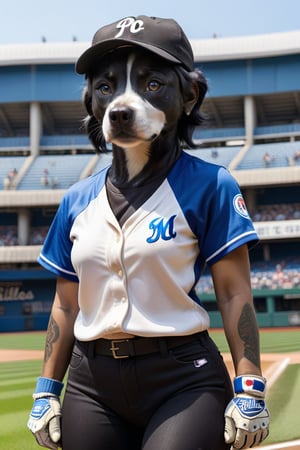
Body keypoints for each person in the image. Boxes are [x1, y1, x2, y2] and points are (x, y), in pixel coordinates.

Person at [28, 15, 269, 450]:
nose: (123, 102)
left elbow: (235, 295)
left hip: (183, 378)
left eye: (151, 83)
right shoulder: (75, 201)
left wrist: (249, 385)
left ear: (189, 95)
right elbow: (65, 306)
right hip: (90, 384)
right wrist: (46, 391)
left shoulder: (212, 186)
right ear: (92, 102)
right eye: (106, 86)